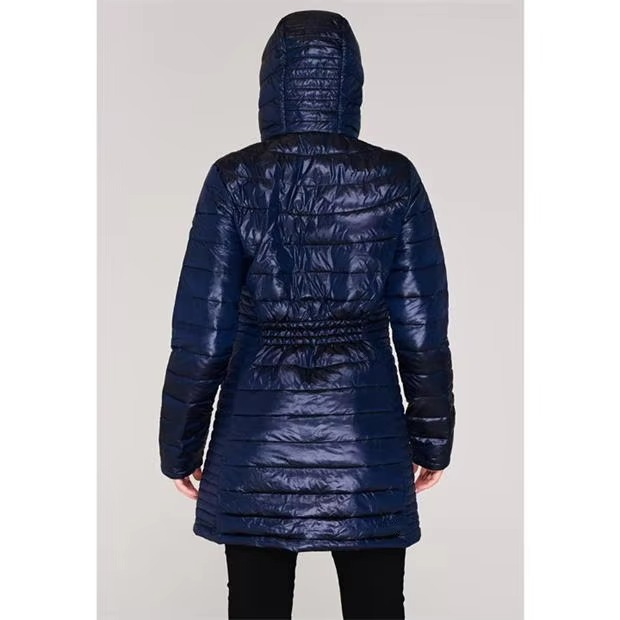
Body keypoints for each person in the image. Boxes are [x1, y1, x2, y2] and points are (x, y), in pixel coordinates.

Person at [158, 9, 456, 620]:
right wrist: (432, 439)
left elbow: (203, 332)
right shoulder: (393, 178)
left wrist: (180, 447)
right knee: (378, 608)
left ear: (271, 83)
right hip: (366, 431)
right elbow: (422, 329)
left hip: (256, 433)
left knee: (255, 609)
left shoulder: (235, 179)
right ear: (352, 84)